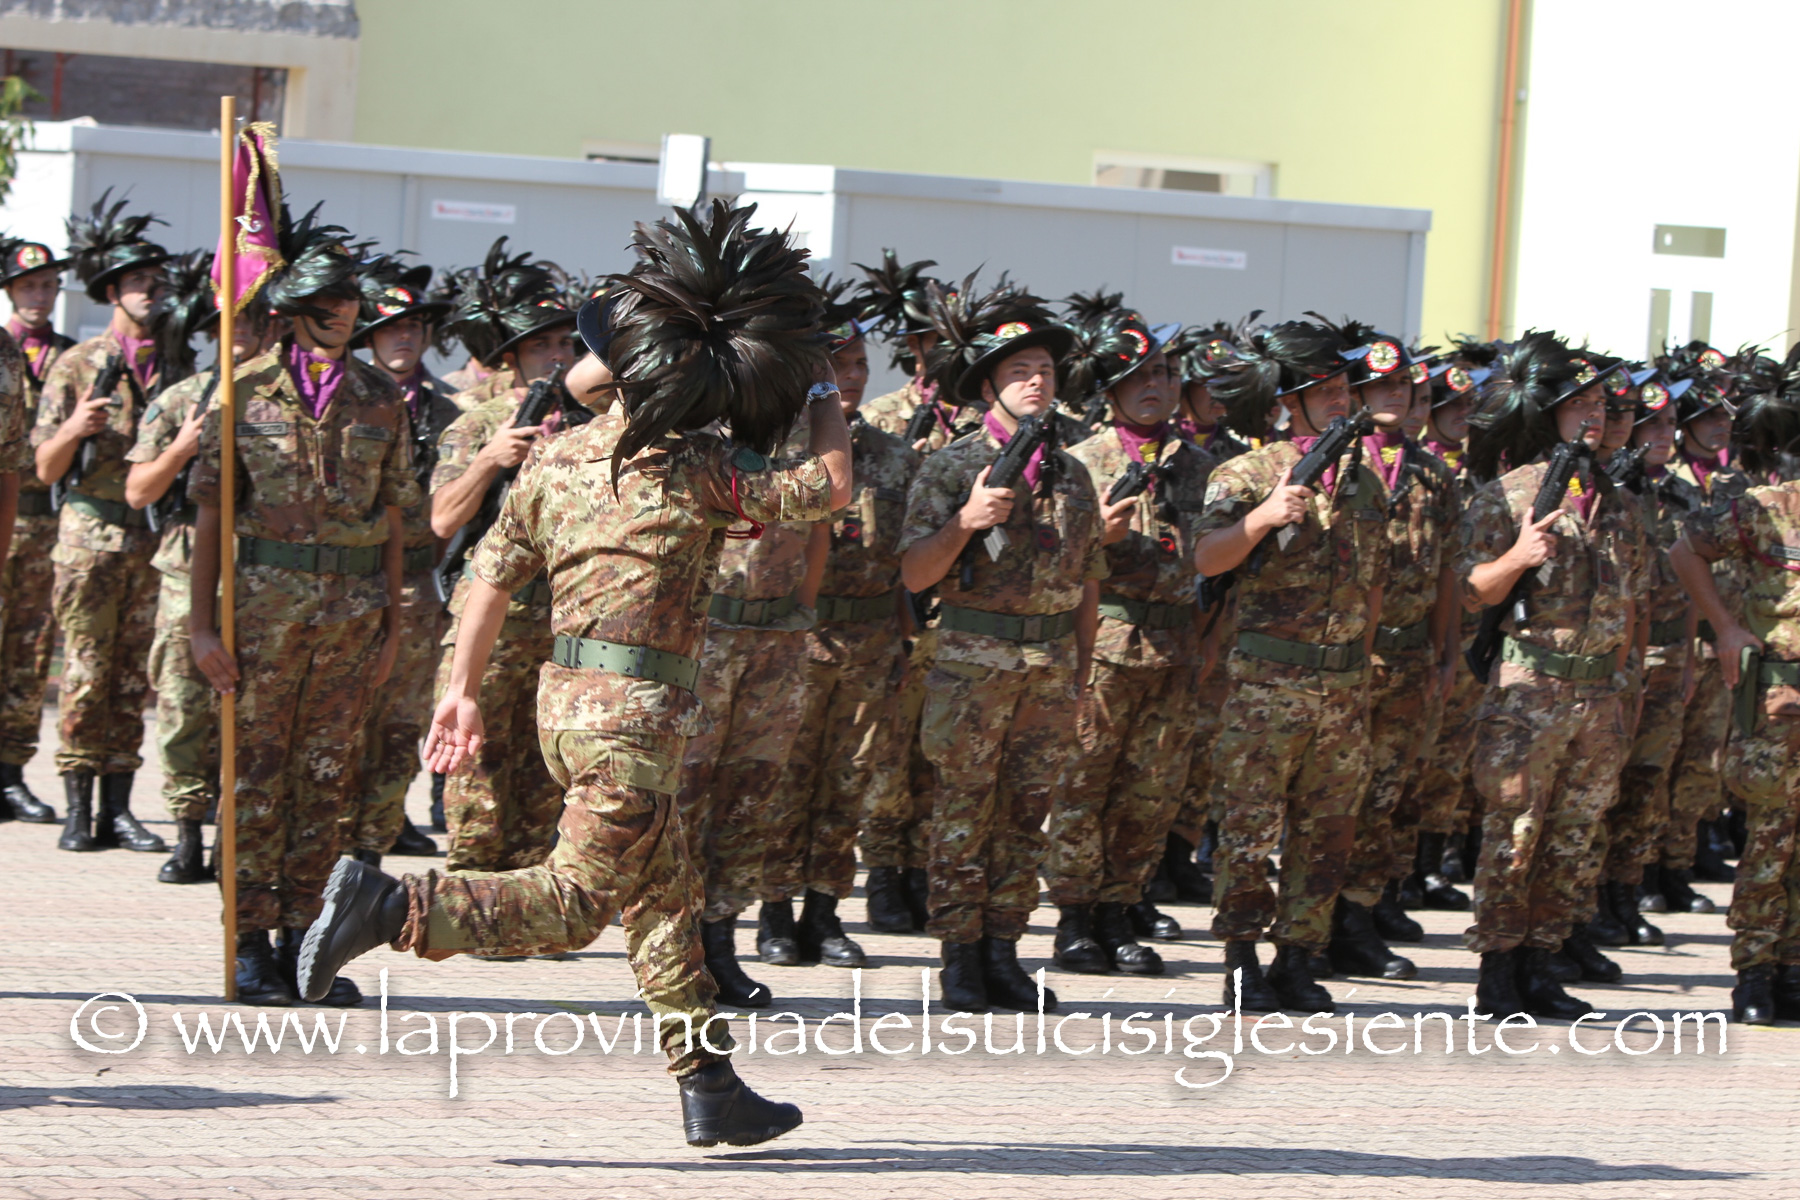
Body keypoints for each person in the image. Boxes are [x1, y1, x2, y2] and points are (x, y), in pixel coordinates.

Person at [296, 199, 850, 1147]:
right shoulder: (694, 469)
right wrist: (821, 385)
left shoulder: (556, 461)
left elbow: (487, 577)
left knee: (663, 894)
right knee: (575, 903)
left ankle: (709, 1082)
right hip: (635, 715)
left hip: (566, 705)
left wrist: (461, 691)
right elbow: (828, 487)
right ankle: (392, 906)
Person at [187, 203, 418, 1007]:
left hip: (352, 620)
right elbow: (210, 514)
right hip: (262, 618)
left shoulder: (381, 397)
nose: (345, 313)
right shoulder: (243, 392)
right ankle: (249, 944)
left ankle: (304, 942)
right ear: (293, 311)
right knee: (254, 779)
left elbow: (395, 519)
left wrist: (393, 628)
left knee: (328, 782)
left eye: (351, 300)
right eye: (329, 302)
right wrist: (200, 626)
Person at [896, 278, 1105, 1015]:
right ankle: (959, 956)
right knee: (962, 812)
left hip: (1049, 667)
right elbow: (915, 573)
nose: (1037, 381)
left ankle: (1004, 951)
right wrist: (966, 519)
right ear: (988, 386)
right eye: (1020, 371)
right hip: (971, 667)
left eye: (1045, 370)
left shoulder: (1073, 473)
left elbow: (1087, 581)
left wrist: (1082, 674)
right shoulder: (952, 467)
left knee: (1025, 815)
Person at [1191, 320, 1387, 1014]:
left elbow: (1373, 583)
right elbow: (1206, 558)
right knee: (1248, 830)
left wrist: (1363, 664)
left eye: (1343, 386)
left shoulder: (1363, 482)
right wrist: (1263, 518)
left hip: (1343, 684)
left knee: (1328, 830)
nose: (1340, 398)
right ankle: (1242, 958)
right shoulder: (1244, 474)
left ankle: (1299, 957)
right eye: (1324, 389)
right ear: (1286, 400)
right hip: (1266, 684)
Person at [1456, 332, 1647, 1019]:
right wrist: (1517, 556)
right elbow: (1470, 591)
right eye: (1578, 406)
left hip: (1597, 695)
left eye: (1601, 406)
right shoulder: (1510, 497)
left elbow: (1632, 604)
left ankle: (1542, 963)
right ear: (1547, 415)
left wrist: (1626, 687)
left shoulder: (1619, 503)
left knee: (1573, 835)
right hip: (1528, 692)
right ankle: (1498, 969)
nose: (1594, 417)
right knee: (1514, 832)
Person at [1046, 306, 1210, 977]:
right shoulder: (1080, 462)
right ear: (1111, 388)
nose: (1155, 386)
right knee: (1084, 783)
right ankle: (1074, 919)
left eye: (1166, 374)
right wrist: (1097, 538)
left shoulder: (1204, 467)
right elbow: (1046, 564)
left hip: (1176, 648)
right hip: (1104, 642)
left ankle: (1120, 910)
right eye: (1139, 375)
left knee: (1152, 790)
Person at [761, 308, 918, 968]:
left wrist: (906, 644)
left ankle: (824, 914)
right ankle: (774, 911)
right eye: (836, 364)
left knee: (848, 781)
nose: (850, 376)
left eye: (859, 365)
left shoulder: (895, 456)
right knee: (785, 779)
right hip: (797, 637)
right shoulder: (777, 445)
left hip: (870, 640)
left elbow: (904, 563)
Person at [123, 250, 273, 883]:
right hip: (188, 573)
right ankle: (187, 832)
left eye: (254, 321)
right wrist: (182, 448)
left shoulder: (277, 403)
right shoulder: (180, 398)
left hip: (263, 577)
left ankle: (232, 838)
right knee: (184, 703)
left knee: (251, 709)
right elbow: (138, 491)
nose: (241, 333)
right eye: (228, 323)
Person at [427, 246, 575, 879]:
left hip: (563, 621)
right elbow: (442, 519)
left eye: (566, 343)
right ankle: (469, 895)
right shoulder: (478, 423)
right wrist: (490, 459)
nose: (557, 355)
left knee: (546, 774)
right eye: (541, 346)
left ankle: (523, 901)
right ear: (512, 356)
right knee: (475, 771)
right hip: (489, 617)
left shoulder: (593, 425)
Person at [32, 193, 172, 854]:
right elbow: (43, 466)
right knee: (87, 672)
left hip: (150, 537)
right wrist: (74, 428)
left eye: (157, 281)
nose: (150, 291)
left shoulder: (175, 366)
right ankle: (77, 806)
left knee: (132, 678)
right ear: (112, 292)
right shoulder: (78, 363)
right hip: (89, 536)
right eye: (137, 281)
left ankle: (118, 806)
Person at [1330, 327, 1461, 982]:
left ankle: (1358, 917)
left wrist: (1444, 653)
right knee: (1332, 795)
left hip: (1406, 659)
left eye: (1403, 385)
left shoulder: (1434, 474)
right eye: (1378, 385)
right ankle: (1314, 919)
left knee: (1383, 797)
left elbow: (1446, 572)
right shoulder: (1334, 463)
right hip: (1341, 658)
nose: (1393, 395)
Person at [1668, 387, 1800, 1023]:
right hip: (1778, 701)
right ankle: (1755, 971)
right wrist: (1724, 627)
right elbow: (1684, 550)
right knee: (1771, 836)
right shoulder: (1767, 508)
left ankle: (1793, 966)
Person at [343, 254, 459, 864]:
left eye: (414, 327)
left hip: (416, 582)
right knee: (343, 722)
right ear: (370, 336)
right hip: (350, 581)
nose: (404, 337)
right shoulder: (347, 401)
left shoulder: (448, 412)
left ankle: (373, 847)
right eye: (391, 328)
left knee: (399, 725)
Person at [1400, 352, 1492, 905]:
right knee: (1412, 758)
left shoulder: (1478, 471)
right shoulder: (1414, 470)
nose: (1460, 414)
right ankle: (1399, 868)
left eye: (1466, 404)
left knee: (1452, 753)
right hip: (1413, 632)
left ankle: (1432, 860)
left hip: (1469, 629)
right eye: (1445, 404)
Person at [1656, 360, 1749, 889]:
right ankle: (1646, 867)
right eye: (1708, 416)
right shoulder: (1666, 482)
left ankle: (1682, 858)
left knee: (1706, 756)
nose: (1721, 425)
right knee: (1659, 757)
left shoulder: (1736, 481)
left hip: (1724, 637)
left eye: (1725, 416)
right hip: (1674, 637)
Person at [0, 235, 74, 823]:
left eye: (48, 285)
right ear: (9, 291)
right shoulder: (5, 351)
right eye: (28, 286)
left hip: (45, 519)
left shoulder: (71, 357)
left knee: (30, 649)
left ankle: (11, 772)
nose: (39, 296)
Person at [857, 250, 967, 452]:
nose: (953, 348)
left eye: (960, 339)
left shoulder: (988, 414)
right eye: (941, 339)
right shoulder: (875, 417)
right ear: (914, 344)